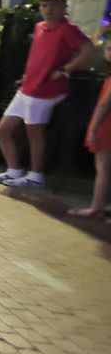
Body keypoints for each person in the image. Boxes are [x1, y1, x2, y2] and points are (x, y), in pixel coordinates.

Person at [0, 0, 95, 189]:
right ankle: (14, 170)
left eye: (54, 5)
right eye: (45, 5)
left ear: (64, 8)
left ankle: (36, 175)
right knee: (3, 130)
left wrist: (64, 70)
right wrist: (28, 76)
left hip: (47, 89)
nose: (49, 10)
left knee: (34, 133)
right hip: (28, 86)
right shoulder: (39, 27)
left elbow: (88, 53)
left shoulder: (68, 29)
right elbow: (38, 55)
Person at [69, 31, 111, 220]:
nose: (107, 51)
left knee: (102, 168)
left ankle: (96, 207)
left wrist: (93, 128)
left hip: (106, 125)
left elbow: (103, 105)